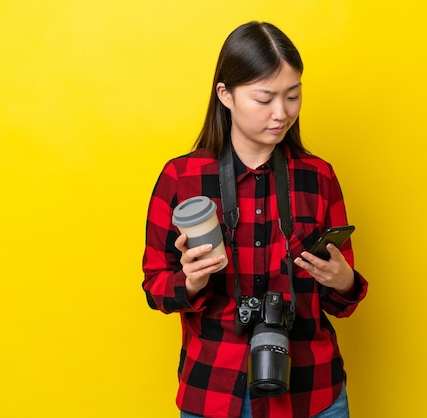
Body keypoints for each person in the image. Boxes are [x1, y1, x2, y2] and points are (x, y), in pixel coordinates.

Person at [142, 21, 368, 418]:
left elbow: (341, 302)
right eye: (264, 99)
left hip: (313, 394)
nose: (282, 114)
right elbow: (155, 287)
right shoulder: (181, 179)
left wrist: (343, 280)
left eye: (293, 96)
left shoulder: (319, 177)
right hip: (213, 391)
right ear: (225, 95)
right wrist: (190, 283)